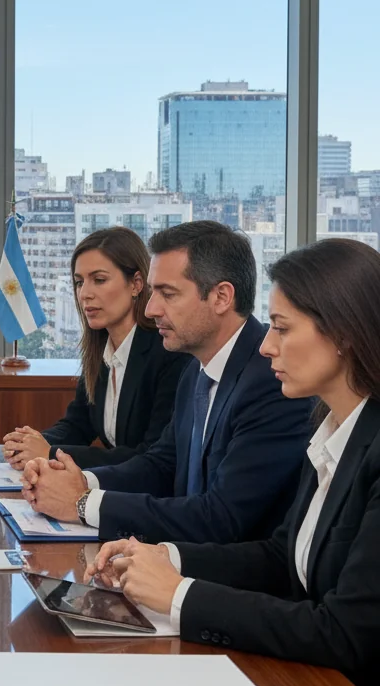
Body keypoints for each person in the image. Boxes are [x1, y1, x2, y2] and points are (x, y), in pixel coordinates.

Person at [85, 238, 380, 686]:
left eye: (282, 328)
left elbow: (343, 633)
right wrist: (166, 557)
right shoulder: (328, 430)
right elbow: (279, 557)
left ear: (343, 333)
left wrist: (180, 595)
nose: (266, 345)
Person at [21, 221, 312, 545]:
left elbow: (221, 518)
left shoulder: (272, 381)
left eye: (167, 294)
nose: (150, 308)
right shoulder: (196, 371)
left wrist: (83, 503)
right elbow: (160, 465)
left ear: (221, 297)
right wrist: (78, 481)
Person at [3, 227, 190, 469]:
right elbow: (78, 424)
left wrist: (50, 452)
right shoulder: (100, 350)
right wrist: (32, 443)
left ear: (136, 284)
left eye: (99, 280)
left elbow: (152, 456)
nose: (85, 294)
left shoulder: (167, 352)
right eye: (80, 282)